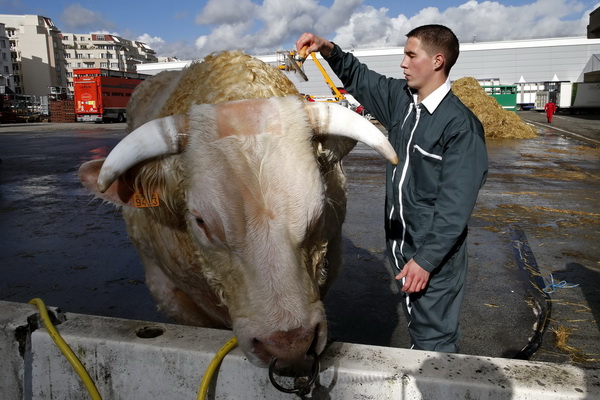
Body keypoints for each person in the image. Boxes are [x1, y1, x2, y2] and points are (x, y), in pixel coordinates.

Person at [296, 25, 488, 353]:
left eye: (411, 55)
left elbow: (454, 207)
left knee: (434, 341)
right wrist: (326, 48)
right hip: (401, 248)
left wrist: (426, 261)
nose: (403, 63)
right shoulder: (402, 101)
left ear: (438, 61)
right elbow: (361, 77)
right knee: (419, 325)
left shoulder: (461, 127)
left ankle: (437, 382)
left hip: (431, 257)